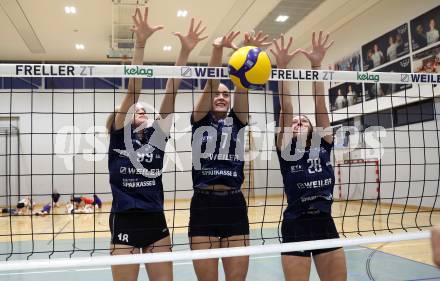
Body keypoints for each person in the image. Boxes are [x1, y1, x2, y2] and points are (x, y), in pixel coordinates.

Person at [106, 7, 207, 281]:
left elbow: (171, 90)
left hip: (155, 219)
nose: (141, 109)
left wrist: (184, 53)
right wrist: (140, 43)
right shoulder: (118, 134)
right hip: (124, 219)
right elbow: (133, 90)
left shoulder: (156, 138)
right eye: (134, 109)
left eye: (143, 109)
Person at [189, 30, 270, 281]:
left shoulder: (238, 120)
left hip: (234, 204)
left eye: (226, 94)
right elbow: (211, 83)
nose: (222, 97)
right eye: (218, 94)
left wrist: (245, 54)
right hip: (203, 205)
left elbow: (242, 85)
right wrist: (217, 50)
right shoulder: (199, 120)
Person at [270, 32, 347, 281]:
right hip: (296, 225)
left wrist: (316, 66)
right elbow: (287, 107)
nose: (298, 122)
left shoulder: (323, 142)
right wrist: (281, 68)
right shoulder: (284, 148)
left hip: (325, 222)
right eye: (294, 122)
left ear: (313, 128)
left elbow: (320, 105)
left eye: (303, 121)